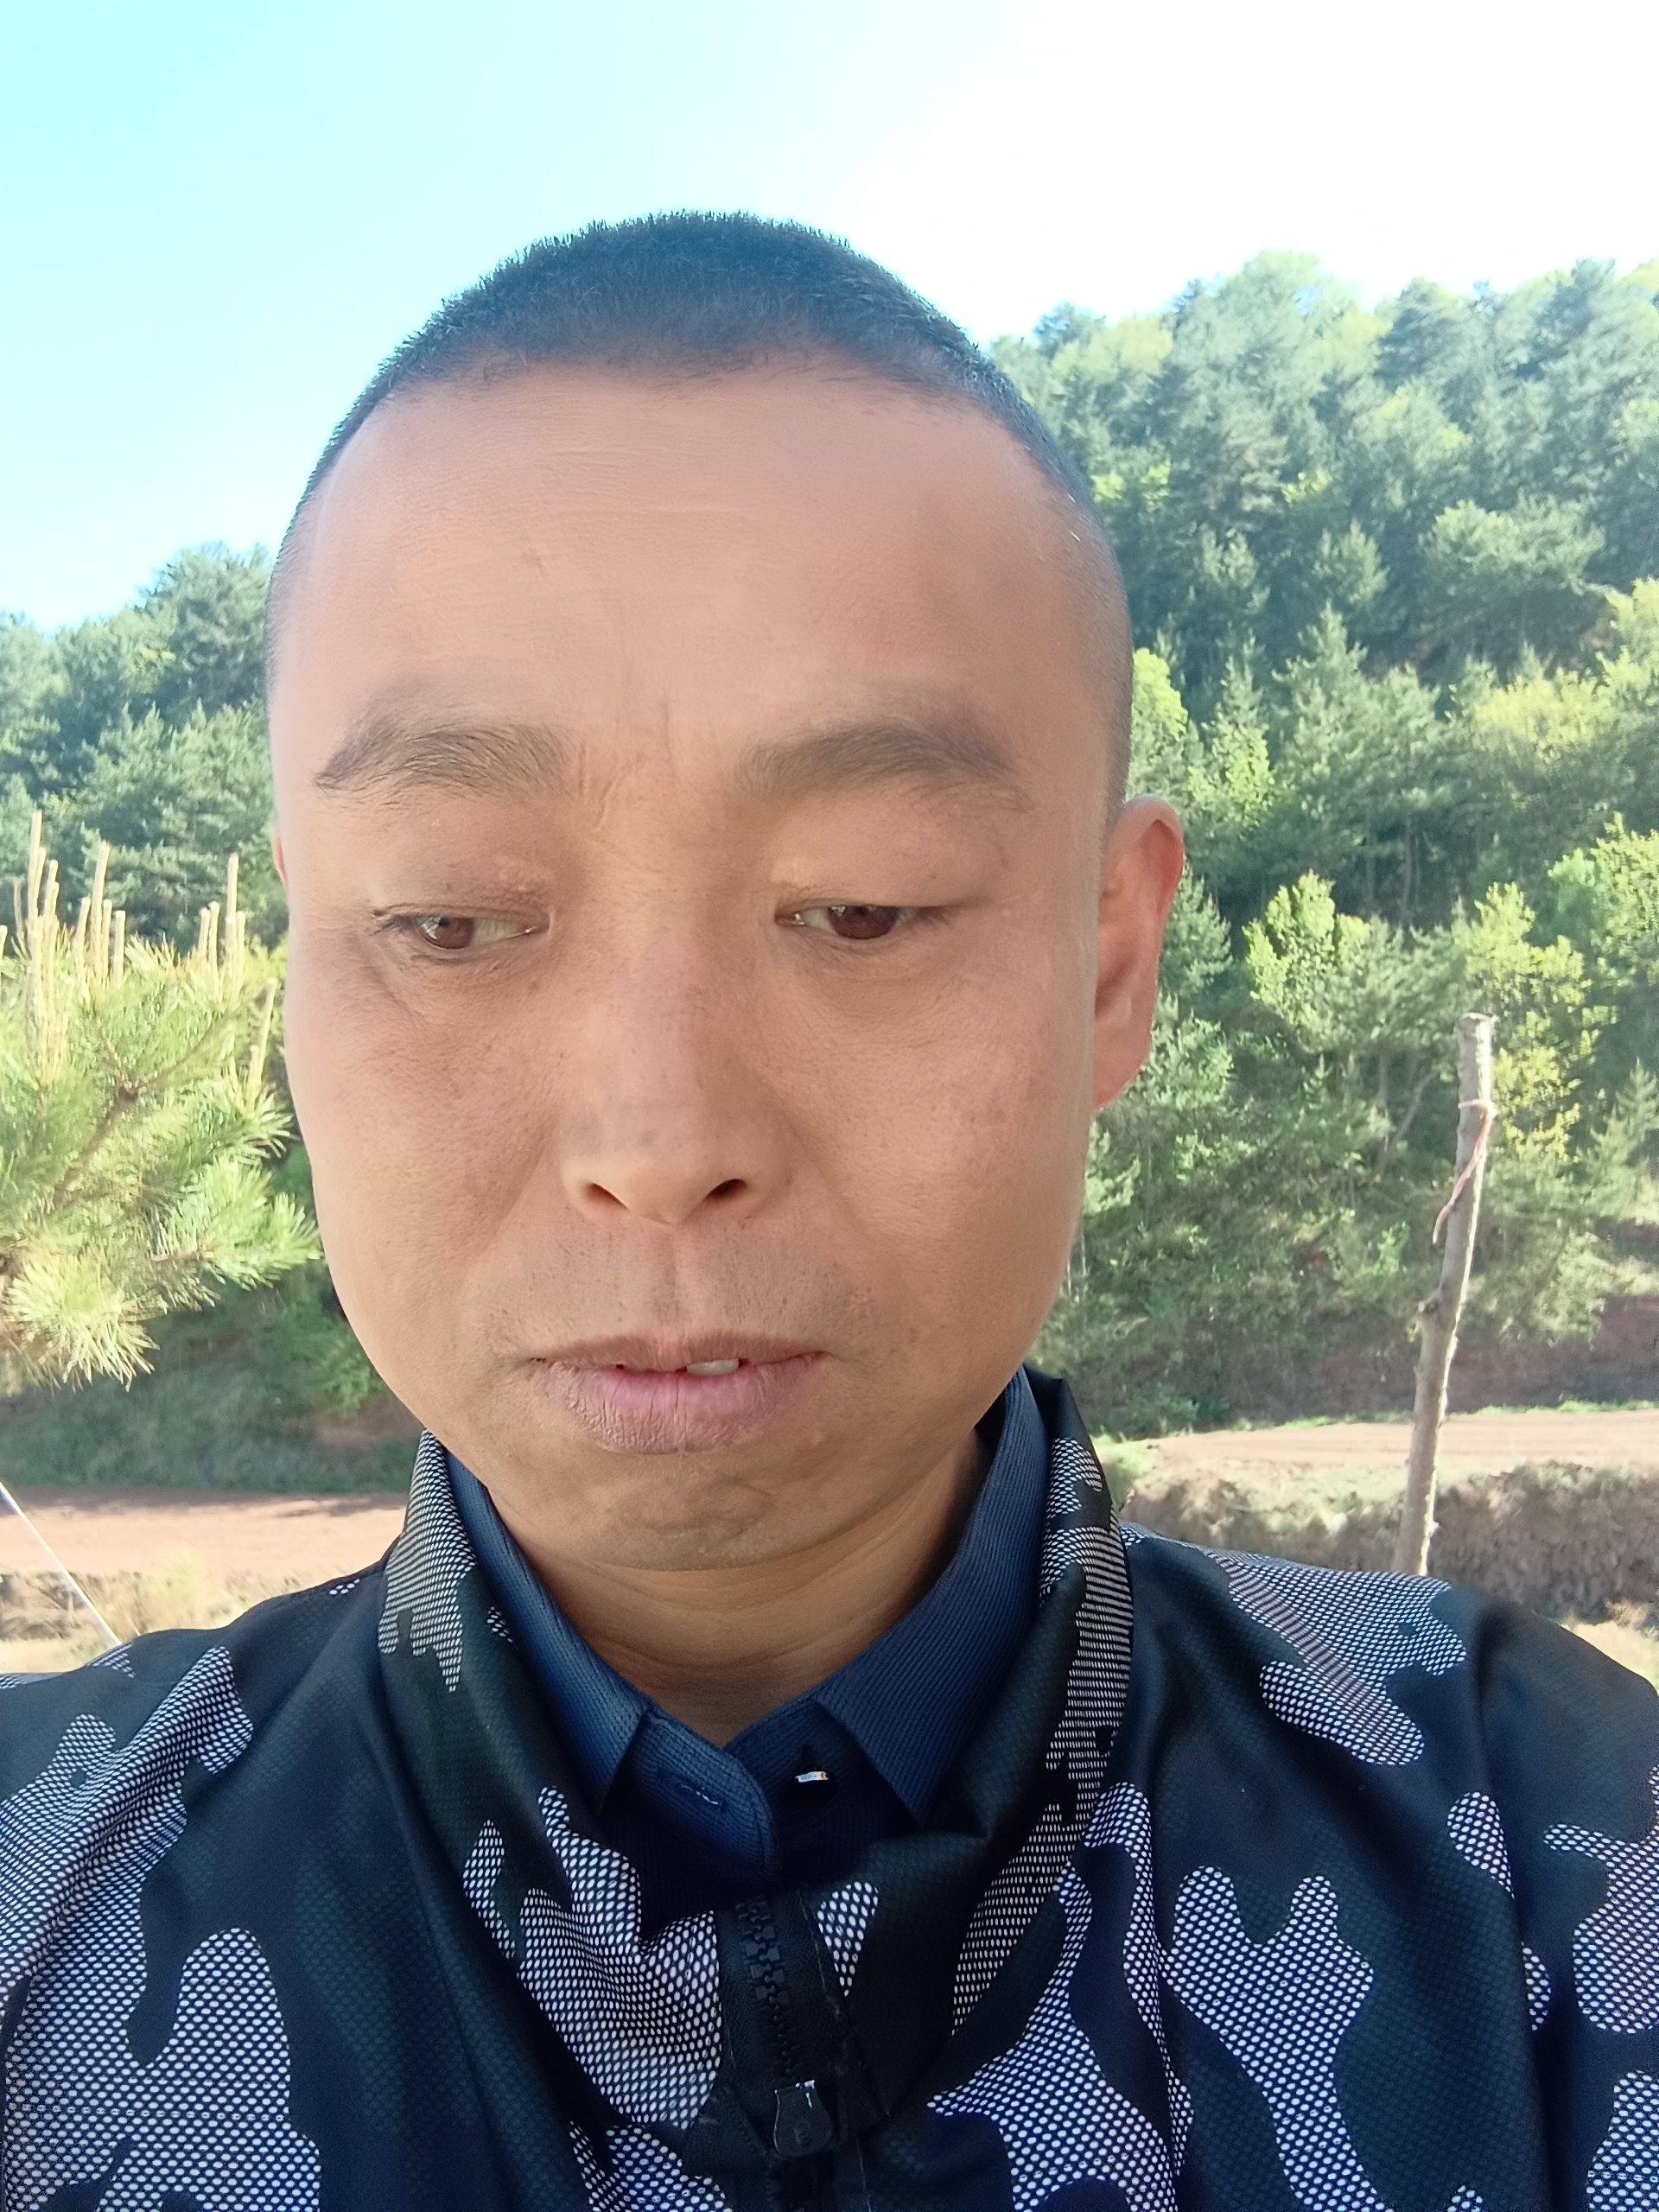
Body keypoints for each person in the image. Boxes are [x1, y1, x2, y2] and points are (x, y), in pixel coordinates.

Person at [2, 214, 1654, 2212]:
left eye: (863, 906)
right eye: (448, 917)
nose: (659, 1135)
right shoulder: (38, 1915)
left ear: (1109, 962)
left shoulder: (1555, 1884)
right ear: (297, 964)